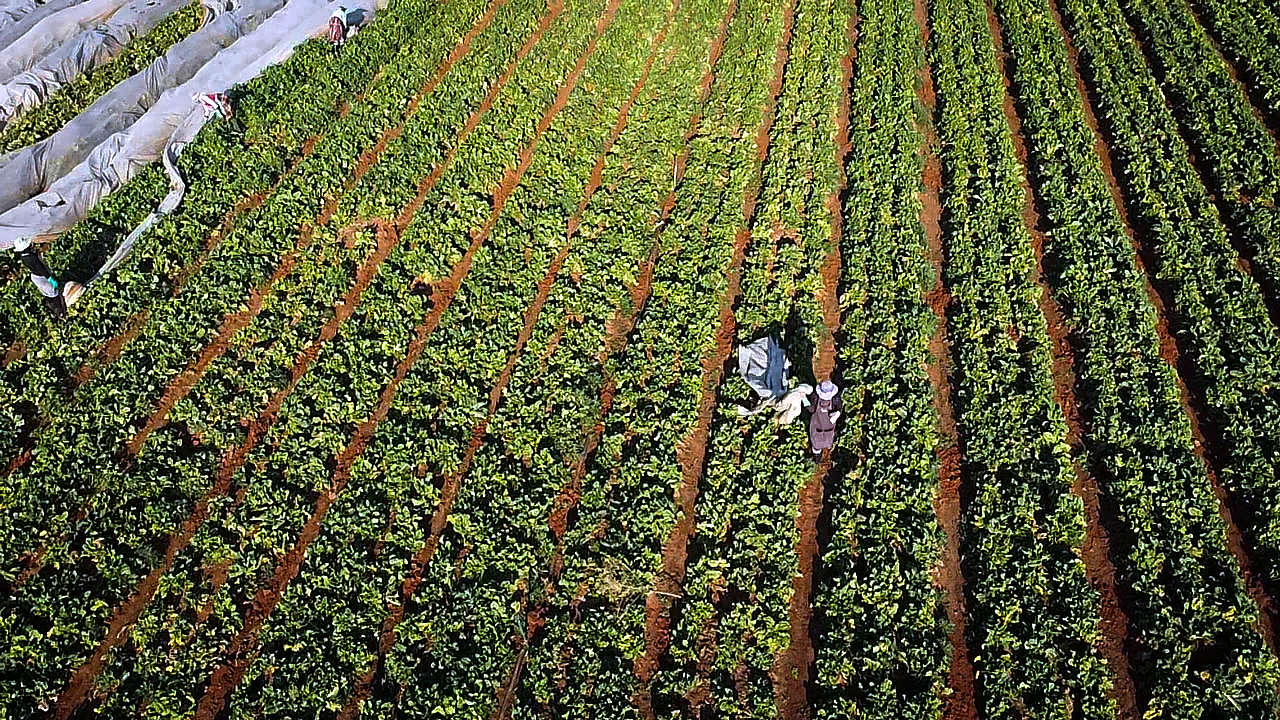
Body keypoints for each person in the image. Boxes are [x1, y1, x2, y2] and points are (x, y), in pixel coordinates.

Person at [12, 236, 67, 317]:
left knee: (47, 293)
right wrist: (50, 278)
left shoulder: (24, 257)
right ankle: (60, 312)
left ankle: (53, 310)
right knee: (53, 293)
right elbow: (41, 269)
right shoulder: (31, 257)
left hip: (35, 276)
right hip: (41, 277)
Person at [809, 379, 841, 456]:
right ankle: (822, 451)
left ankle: (817, 457)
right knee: (827, 438)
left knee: (816, 443)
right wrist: (837, 414)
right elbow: (840, 408)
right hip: (829, 427)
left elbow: (811, 409)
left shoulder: (816, 397)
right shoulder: (835, 399)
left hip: (817, 423)